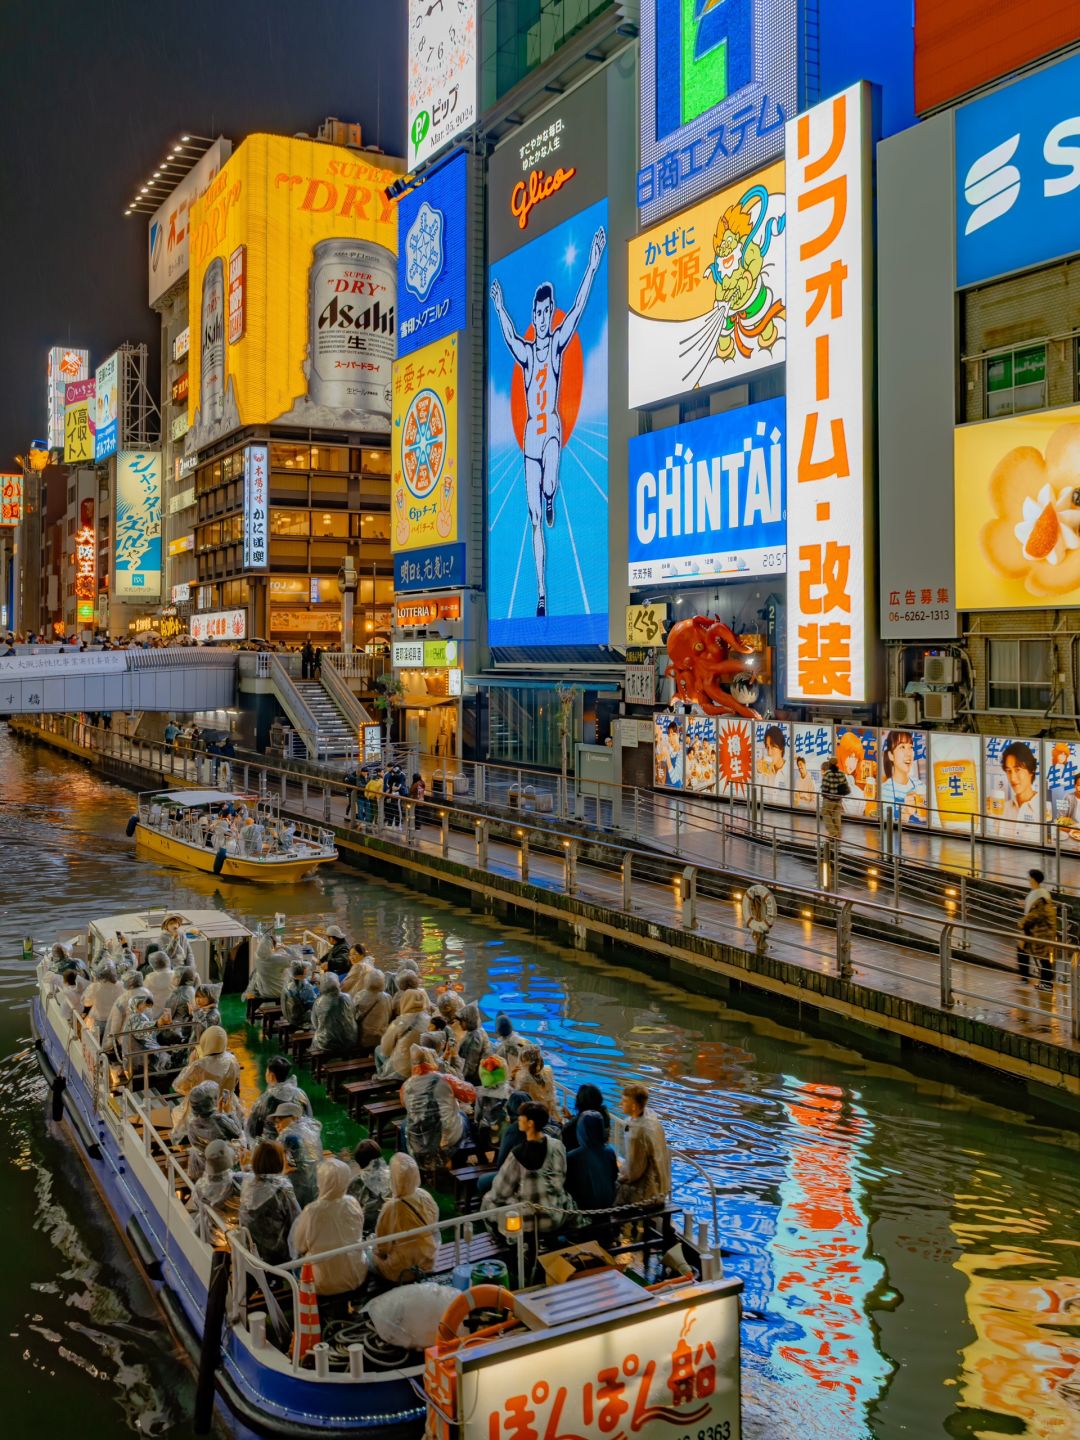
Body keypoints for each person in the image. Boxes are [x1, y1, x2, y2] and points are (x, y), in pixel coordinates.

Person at [490, 226, 606, 617]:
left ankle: (552, 493)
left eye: (545, 311)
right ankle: (541, 593)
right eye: (537, 313)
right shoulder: (526, 352)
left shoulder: (555, 344)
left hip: (551, 428)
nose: (541, 318)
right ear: (533, 315)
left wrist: (592, 264)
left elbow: (578, 309)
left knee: (550, 484)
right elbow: (507, 337)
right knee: (535, 520)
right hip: (530, 440)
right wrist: (500, 307)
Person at [480, 1101, 575, 1236]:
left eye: (521, 1117)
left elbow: (500, 1192)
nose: (518, 1119)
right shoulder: (557, 1145)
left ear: (530, 1123)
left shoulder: (517, 1154)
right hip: (557, 1214)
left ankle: (499, 1238)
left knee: (489, 1201)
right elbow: (560, 1177)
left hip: (530, 1222)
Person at [289, 1158, 367, 1297]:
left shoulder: (312, 1211)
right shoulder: (353, 1203)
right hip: (357, 1274)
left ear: (320, 1181)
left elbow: (299, 1246)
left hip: (322, 1282)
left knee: (295, 1265)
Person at [401, 1044, 477, 1177]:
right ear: (431, 1059)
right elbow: (470, 1094)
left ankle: (413, 1165)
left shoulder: (406, 1085)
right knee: (463, 1116)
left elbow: (405, 1105)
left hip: (419, 1141)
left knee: (406, 1123)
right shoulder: (445, 1079)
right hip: (446, 1140)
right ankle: (457, 1161)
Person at [372, 1153, 440, 1284]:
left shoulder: (390, 1208)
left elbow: (382, 1247)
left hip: (401, 1270)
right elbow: (434, 1224)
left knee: (371, 1256)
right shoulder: (425, 1196)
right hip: (427, 1262)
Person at [239, 1141, 302, 1267]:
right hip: (279, 1258)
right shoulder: (283, 1190)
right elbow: (298, 1223)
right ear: (278, 1162)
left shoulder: (248, 1184)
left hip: (254, 1253)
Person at [172, 1025, 243, 1138]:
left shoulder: (199, 1065)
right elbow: (235, 1081)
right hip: (226, 1104)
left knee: (178, 1115)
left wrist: (190, 1064)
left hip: (200, 1111)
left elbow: (179, 1086)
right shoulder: (232, 1060)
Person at [614, 1084, 671, 1205]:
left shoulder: (636, 1133)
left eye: (624, 1101)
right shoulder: (652, 1119)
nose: (620, 1104)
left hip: (647, 1195)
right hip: (662, 1188)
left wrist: (617, 1172)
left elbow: (632, 1173)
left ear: (634, 1106)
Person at [182, 1080, 244, 1180]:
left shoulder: (192, 1125)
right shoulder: (221, 1119)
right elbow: (238, 1132)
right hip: (227, 1164)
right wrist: (229, 1112)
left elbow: (198, 1146)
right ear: (211, 1101)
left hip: (206, 1166)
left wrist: (219, 1111)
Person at [190, 1139, 244, 1246]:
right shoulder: (238, 1182)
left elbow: (196, 1202)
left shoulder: (200, 1186)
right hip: (234, 1234)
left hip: (210, 1232)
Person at [246, 1056, 313, 1141]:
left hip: (273, 1149)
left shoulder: (265, 1100)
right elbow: (309, 1120)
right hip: (300, 1144)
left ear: (272, 1076)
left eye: (267, 1072)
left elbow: (252, 1130)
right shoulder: (300, 1094)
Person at [565, 1110, 618, 1213]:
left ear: (580, 1130)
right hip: (607, 1206)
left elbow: (568, 1185)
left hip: (584, 1210)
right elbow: (614, 1177)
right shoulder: (609, 1152)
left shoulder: (572, 1156)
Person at [376, 989, 430, 1079]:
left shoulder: (399, 1022)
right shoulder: (430, 1020)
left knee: (378, 1049)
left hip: (404, 1071)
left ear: (404, 1002)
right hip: (426, 1067)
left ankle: (382, 1075)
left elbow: (385, 1050)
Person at [1019, 868, 1057, 989]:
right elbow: (1034, 909)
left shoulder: (1040, 896)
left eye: (1029, 877)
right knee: (1023, 949)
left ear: (1034, 879)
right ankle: (1027, 978)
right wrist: (1024, 904)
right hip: (1036, 930)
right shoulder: (1039, 893)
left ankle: (1046, 983)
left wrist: (1021, 923)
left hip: (1041, 932)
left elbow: (1035, 914)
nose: (1028, 879)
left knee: (1043, 957)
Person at [880, 730, 927, 827]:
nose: (908, 754)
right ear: (891, 755)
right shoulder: (883, 791)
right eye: (902, 747)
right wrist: (905, 815)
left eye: (911, 747)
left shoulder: (922, 788)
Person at [310, 972, 358, 1058]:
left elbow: (315, 1024)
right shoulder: (347, 997)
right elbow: (353, 1014)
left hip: (327, 1043)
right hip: (349, 1040)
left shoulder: (319, 1002)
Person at [346, 1139, 391, 1231]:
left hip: (366, 1226)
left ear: (358, 1161)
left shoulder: (355, 1182)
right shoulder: (393, 1174)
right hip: (390, 1221)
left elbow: (349, 1210)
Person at [1001, 741, 1040, 837]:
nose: (1013, 778)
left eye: (1017, 770)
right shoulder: (1003, 808)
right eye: (1008, 771)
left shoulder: (1045, 810)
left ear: (1032, 770)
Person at [246, 930, 294, 1002]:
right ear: (272, 946)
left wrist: (274, 952)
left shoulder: (258, 958)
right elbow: (295, 958)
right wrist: (284, 947)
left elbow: (267, 957)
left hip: (264, 992)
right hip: (279, 992)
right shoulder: (277, 959)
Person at [560, 1083, 611, 1151]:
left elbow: (564, 1133)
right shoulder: (603, 1115)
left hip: (578, 1157)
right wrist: (571, 1117)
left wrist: (559, 1121)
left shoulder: (575, 1123)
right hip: (598, 1153)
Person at [511, 1046, 559, 1114]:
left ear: (523, 1061)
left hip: (534, 1113)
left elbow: (516, 1097)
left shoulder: (525, 1080)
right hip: (548, 1110)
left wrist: (512, 1078)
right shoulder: (548, 1070)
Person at [454, 1003, 493, 1085]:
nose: (460, 1024)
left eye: (462, 1021)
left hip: (475, 1081)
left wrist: (460, 1081)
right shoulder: (477, 1031)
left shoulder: (475, 1037)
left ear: (469, 1020)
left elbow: (471, 1065)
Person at [79, 963, 122, 1040]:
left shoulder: (94, 987)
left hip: (97, 1020)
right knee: (110, 1043)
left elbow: (86, 1003)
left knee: (94, 1043)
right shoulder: (120, 985)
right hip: (114, 1021)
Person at [353, 967, 392, 1050]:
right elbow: (389, 1015)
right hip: (381, 1038)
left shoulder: (360, 996)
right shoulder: (387, 997)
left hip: (364, 1039)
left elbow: (354, 1015)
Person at [280, 960, 318, 1030]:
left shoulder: (289, 982)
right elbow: (313, 1005)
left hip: (289, 1015)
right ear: (304, 971)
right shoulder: (306, 987)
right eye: (306, 968)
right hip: (300, 1019)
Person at [820, 756, 849, 843]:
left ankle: (833, 833)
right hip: (838, 800)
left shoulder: (827, 774)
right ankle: (838, 834)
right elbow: (845, 785)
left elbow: (824, 787)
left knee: (826, 814)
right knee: (837, 816)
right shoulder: (841, 773)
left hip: (829, 799)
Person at [144, 951, 175, 1020]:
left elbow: (144, 995)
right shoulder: (175, 975)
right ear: (167, 961)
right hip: (173, 1012)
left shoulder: (149, 978)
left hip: (155, 1014)